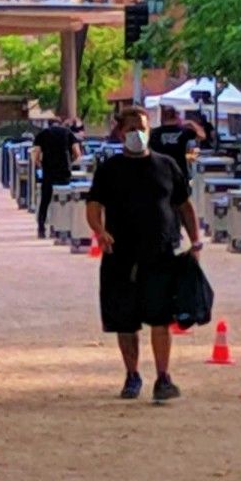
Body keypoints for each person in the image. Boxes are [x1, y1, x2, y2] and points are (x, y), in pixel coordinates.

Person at [85, 106, 202, 402]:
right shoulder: (109, 169)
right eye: (131, 127)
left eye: (142, 127)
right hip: (121, 255)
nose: (138, 132)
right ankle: (132, 375)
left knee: (161, 318)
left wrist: (195, 240)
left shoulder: (167, 166)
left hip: (160, 252)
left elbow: (184, 206)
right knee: (125, 321)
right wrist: (100, 231)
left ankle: (163, 377)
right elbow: (93, 205)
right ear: (121, 132)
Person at [31, 117, 82, 239]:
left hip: (48, 171)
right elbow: (77, 152)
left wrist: (40, 164)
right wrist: (70, 161)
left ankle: (41, 229)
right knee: (64, 199)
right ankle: (63, 227)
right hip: (64, 171)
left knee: (45, 201)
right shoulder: (68, 133)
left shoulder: (42, 134)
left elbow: (36, 154)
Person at [149, 105, 206, 174]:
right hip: (179, 170)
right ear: (176, 116)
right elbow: (202, 136)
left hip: (159, 171)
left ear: (162, 117)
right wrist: (191, 122)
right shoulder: (184, 131)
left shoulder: (154, 132)